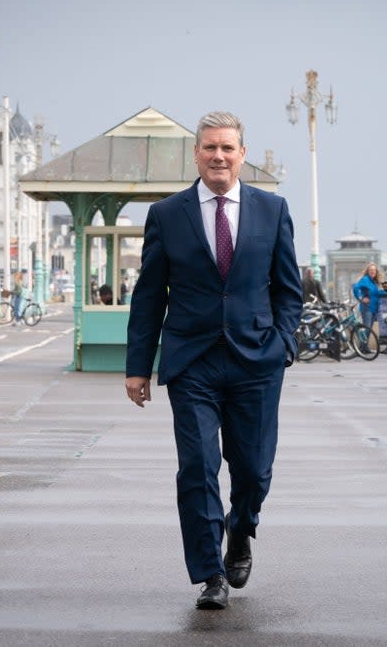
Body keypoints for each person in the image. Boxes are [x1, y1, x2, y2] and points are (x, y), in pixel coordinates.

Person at [125, 111, 302, 610]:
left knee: (253, 469)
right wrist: (138, 366)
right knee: (198, 466)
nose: (218, 156)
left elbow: (290, 289)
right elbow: (148, 296)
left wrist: (283, 343)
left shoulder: (272, 209)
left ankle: (240, 532)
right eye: (209, 148)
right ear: (196, 154)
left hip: (256, 360)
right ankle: (210, 574)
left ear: (242, 154)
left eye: (227, 147)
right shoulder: (167, 214)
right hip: (192, 361)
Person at [352, 262, 382, 329]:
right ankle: (362, 339)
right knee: (367, 329)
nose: (372, 271)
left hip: (374, 309)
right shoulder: (365, 279)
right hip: (367, 308)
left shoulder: (375, 282)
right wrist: (361, 298)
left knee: (369, 330)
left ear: (376, 272)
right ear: (368, 271)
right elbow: (355, 287)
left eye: (374, 270)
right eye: (371, 270)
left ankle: (364, 339)